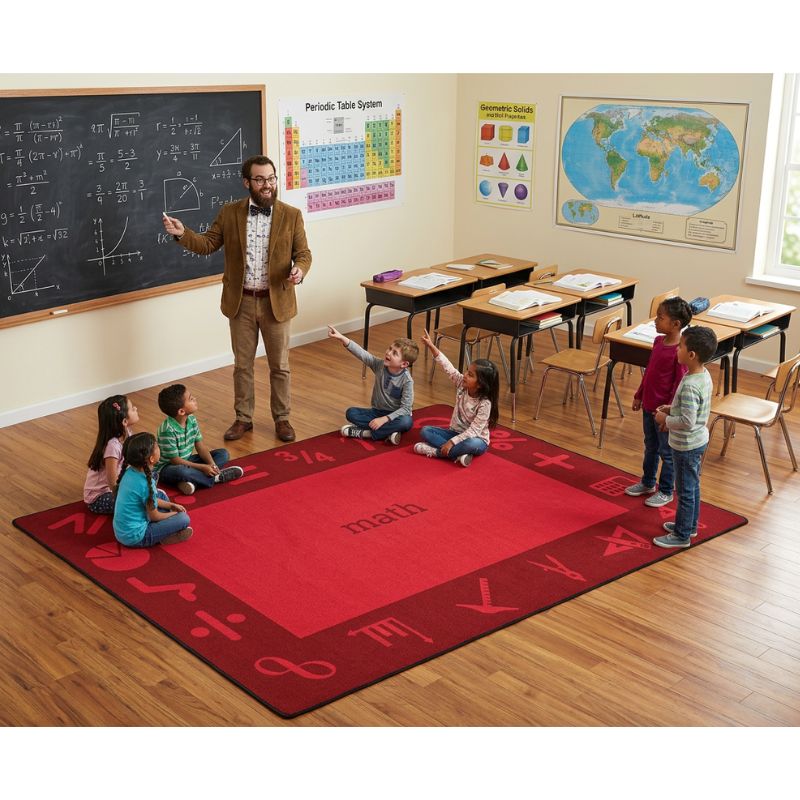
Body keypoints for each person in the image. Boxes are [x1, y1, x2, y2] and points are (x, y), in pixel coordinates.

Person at [162, 155, 312, 443]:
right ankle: (244, 418)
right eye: (260, 179)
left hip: (276, 302)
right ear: (247, 182)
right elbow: (207, 244)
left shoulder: (291, 215)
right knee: (242, 366)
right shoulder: (230, 213)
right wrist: (183, 234)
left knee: (279, 366)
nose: (267, 185)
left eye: (271, 178)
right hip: (240, 302)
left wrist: (299, 270)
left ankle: (282, 419)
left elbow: (303, 254)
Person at [652, 325, 718, 549]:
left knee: (685, 490)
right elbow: (693, 410)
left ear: (691, 355)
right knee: (693, 486)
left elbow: (688, 422)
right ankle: (689, 525)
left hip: (686, 446)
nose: (676, 349)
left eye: (680, 346)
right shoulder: (702, 375)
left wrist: (665, 420)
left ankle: (682, 536)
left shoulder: (690, 384)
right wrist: (672, 408)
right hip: (698, 441)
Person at [625, 297, 693, 508]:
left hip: (664, 413)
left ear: (676, 324)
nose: (655, 321)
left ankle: (665, 490)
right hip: (648, 406)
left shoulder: (678, 353)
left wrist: (669, 414)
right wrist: (639, 394)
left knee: (667, 452)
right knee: (650, 446)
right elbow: (649, 374)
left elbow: (678, 385)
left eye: (660, 318)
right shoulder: (657, 342)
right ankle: (647, 482)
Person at [414, 330, 499, 467]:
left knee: (472, 444)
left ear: (480, 385)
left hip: (475, 439)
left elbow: (474, 431)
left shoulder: (485, 403)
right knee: (425, 431)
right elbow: (447, 366)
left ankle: (437, 452)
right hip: (454, 433)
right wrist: (431, 345)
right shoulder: (461, 384)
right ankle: (458, 454)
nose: (465, 375)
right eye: (466, 371)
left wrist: (451, 443)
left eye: (470, 375)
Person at [327, 325, 417, 445]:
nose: (388, 353)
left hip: (395, 416)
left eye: (394, 353)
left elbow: (406, 408)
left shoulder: (407, 381)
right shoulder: (379, 365)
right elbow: (363, 354)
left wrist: (384, 420)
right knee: (351, 413)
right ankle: (388, 432)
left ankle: (366, 433)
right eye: (390, 348)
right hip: (376, 412)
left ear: (404, 364)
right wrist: (343, 339)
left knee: (406, 422)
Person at [155, 383, 244, 496]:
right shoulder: (167, 430)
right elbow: (175, 461)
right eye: (191, 399)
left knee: (223, 454)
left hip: (187, 460)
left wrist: (212, 465)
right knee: (182, 471)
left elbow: (200, 447)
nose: (195, 399)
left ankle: (192, 481)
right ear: (181, 411)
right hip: (167, 468)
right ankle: (216, 478)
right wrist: (203, 467)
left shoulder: (191, 419)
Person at [113, 432, 193, 547]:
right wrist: (174, 514)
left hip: (121, 533)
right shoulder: (145, 482)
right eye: (157, 447)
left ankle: (165, 531)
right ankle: (163, 536)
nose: (159, 448)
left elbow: (151, 499)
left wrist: (170, 505)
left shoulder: (130, 471)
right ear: (151, 459)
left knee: (160, 495)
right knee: (184, 519)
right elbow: (154, 516)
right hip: (137, 537)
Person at [83, 395, 139, 514]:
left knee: (151, 476)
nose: (136, 408)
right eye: (132, 408)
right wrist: (128, 495)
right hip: (100, 496)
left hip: (119, 484)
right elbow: (112, 482)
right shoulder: (112, 447)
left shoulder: (127, 433)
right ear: (124, 421)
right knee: (135, 503)